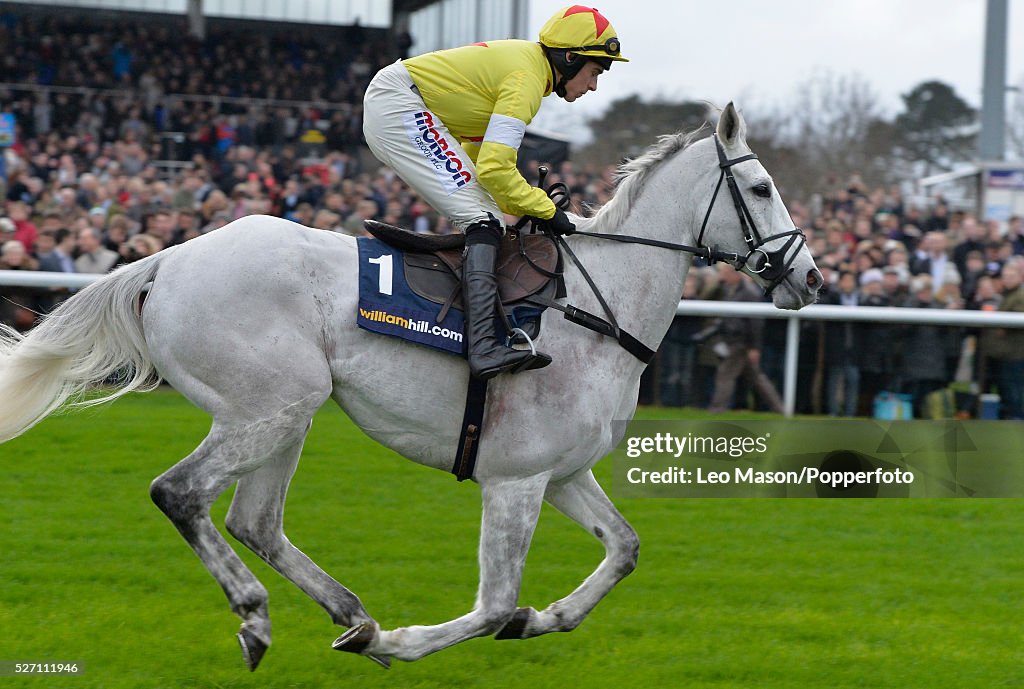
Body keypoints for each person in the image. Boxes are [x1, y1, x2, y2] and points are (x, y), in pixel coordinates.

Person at [362, 5, 628, 380]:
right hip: (398, 104)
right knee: (483, 218)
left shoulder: (527, 71)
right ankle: (483, 346)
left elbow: (479, 162)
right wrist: (546, 210)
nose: (594, 85)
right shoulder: (527, 79)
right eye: (595, 71)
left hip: (402, 103)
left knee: (486, 215)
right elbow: (494, 167)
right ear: (570, 58)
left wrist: (528, 209)